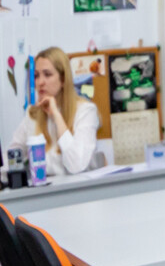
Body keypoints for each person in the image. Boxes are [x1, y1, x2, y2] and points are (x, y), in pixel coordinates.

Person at [9, 47, 98, 175]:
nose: (40, 82)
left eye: (47, 74)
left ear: (63, 79)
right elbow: (13, 152)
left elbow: (77, 165)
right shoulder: (32, 113)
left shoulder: (85, 111)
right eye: (36, 76)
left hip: (80, 186)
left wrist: (56, 115)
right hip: (45, 186)